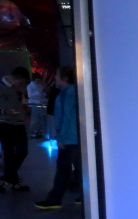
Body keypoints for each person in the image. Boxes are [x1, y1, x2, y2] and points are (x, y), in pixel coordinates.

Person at [35, 66, 81, 210]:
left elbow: (67, 117)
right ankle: (83, 195)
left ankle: (54, 199)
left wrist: (61, 138)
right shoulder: (70, 92)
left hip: (69, 138)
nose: (54, 78)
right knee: (74, 168)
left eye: (56, 75)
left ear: (64, 78)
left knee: (64, 169)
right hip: (72, 138)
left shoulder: (68, 94)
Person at [0, 66, 31, 192]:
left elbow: (24, 103)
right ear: (16, 78)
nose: (23, 84)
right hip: (5, 123)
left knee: (23, 151)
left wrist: (25, 111)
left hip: (19, 123)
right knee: (8, 153)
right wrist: (5, 111)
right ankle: (12, 180)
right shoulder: (2, 86)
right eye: (22, 81)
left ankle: (7, 179)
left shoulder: (22, 88)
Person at [27, 71, 48, 138]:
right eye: (38, 79)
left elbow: (42, 94)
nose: (39, 80)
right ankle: (32, 133)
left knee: (40, 119)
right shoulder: (30, 86)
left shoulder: (39, 85)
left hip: (40, 104)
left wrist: (43, 95)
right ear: (34, 78)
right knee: (34, 119)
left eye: (39, 79)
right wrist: (40, 93)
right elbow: (30, 96)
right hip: (34, 104)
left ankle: (39, 132)